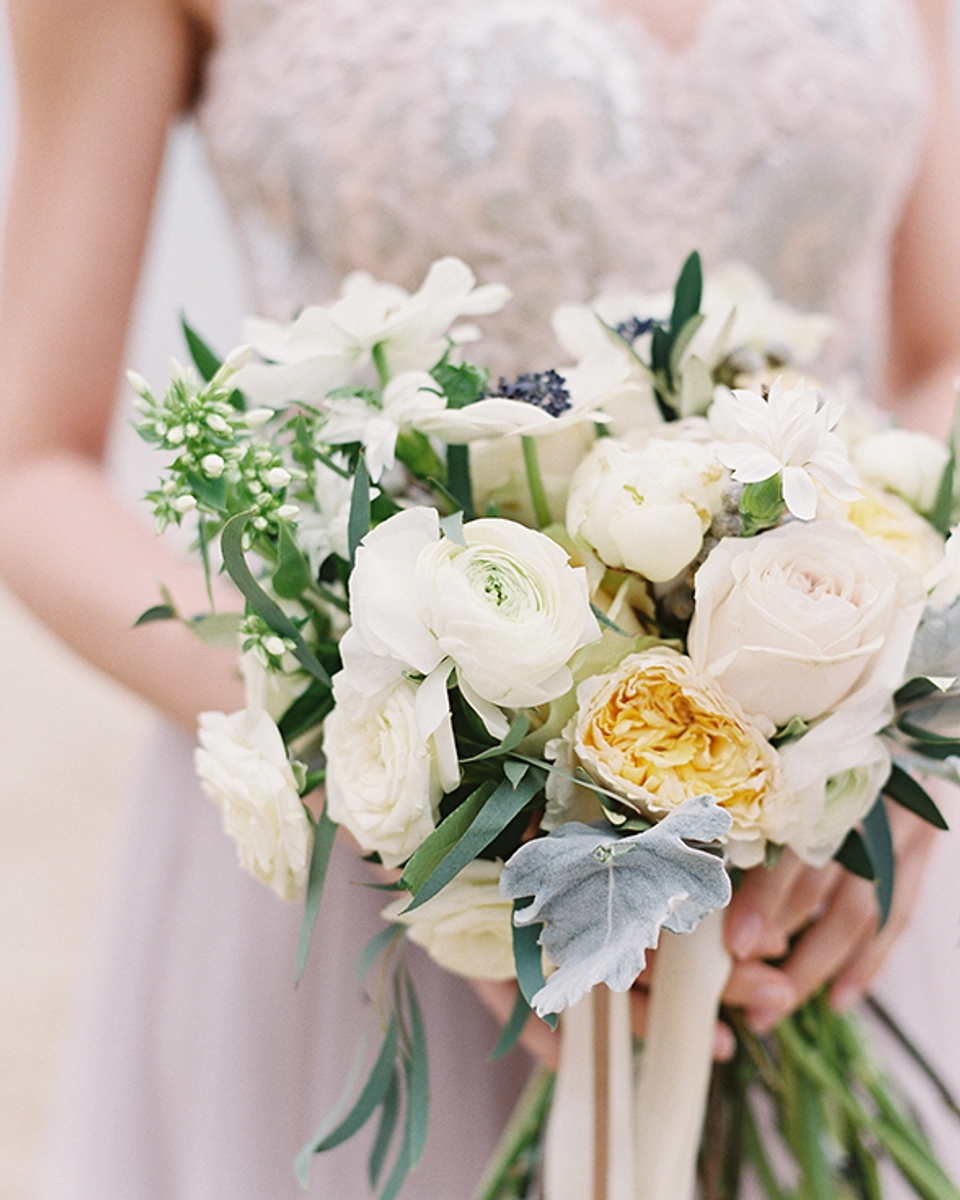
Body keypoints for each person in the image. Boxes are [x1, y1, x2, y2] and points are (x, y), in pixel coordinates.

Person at [1, 0, 959, 1195]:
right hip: (378, 848)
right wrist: (397, 760)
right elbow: (28, 461)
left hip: (817, 856)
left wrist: (892, 719)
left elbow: (939, 353)